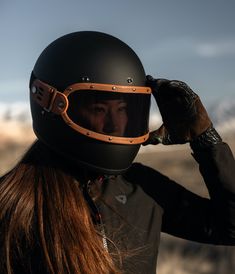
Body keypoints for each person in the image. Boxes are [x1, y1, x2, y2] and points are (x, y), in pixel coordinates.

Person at [0, 31, 235, 274]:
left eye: (124, 109)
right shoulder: (15, 205)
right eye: (99, 109)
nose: (116, 124)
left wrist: (206, 140)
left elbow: (230, 228)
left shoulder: (141, 187)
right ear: (51, 104)